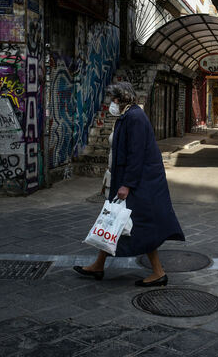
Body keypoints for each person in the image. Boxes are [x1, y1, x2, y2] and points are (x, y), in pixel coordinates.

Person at [74, 81, 185, 286]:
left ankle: (158, 272)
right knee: (115, 220)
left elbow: (135, 155)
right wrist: (110, 179)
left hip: (140, 183)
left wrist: (126, 184)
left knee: (133, 224)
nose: (112, 103)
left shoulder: (134, 117)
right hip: (131, 180)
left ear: (123, 98)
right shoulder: (127, 116)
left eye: (114, 99)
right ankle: (99, 265)